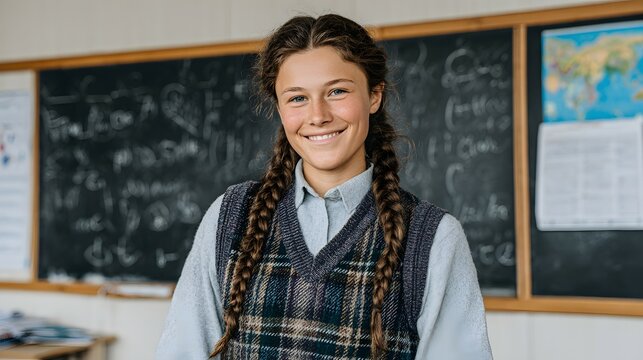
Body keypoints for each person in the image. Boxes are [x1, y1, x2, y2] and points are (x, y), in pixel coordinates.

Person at [157, 14, 492, 360]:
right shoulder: (230, 217)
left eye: (337, 91)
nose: (318, 115)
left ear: (374, 96)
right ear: (279, 107)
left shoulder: (433, 239)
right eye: (297, 98)